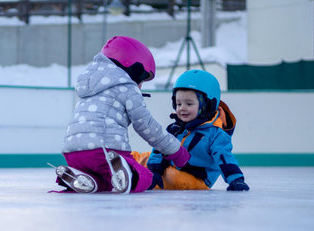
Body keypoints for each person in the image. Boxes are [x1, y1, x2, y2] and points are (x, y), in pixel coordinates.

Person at [53, 36, 190, 194]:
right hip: (106, 151)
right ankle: (128, 172)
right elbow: (147, 126)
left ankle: (87, 179)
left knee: (107, 179)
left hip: (73, 153)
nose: (140, 86)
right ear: (133, 69)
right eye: (142, 80)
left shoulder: (89, 88)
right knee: (146, 176)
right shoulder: (126, 87)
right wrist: (175, 151)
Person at [132, 69, 249, 191]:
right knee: (144, 158)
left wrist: (236, 180)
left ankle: (138, 177)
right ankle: (123, 160)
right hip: (169, 167)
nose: (182, 108)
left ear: (206, 105)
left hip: (195, 178)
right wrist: (155, 170)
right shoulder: (175, 128)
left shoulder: (216, 134)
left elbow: (224, 158)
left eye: (189, 104)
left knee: (172, 177)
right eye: (178, 104)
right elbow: (159, 150)